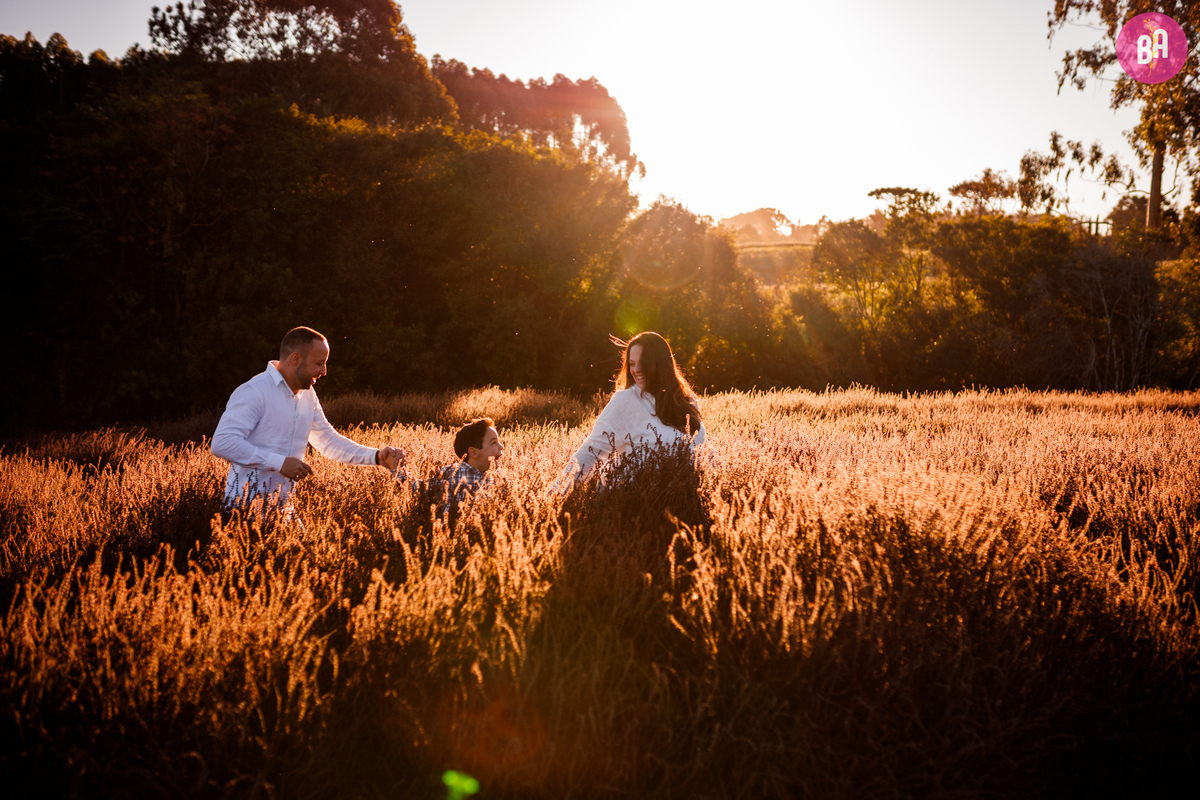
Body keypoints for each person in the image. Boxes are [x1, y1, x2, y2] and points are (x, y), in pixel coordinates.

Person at [211, 326, 403, 510]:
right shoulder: (255, 391)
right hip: (243, 512)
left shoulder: (308, 395)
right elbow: (223, 442)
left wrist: (377, 457)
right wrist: (279, 463)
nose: (324, 371)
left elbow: (328, 441)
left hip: (284, 512)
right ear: (295, 358)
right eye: (319, 363)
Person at [559, 331, 705, 486]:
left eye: (643, 363)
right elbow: (591, 451)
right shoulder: (626, 401)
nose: (636, 370)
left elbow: (705, 452)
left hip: (680, 503)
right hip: (629, 501)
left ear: (662, 364)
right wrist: (553, 497)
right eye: (632, 363)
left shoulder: (685, 400)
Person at [395, 417, 504, 520]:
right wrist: (397, 468)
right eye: (494, 443)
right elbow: (418, 489)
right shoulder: (451, 473)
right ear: (474, 452)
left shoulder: (498, 479)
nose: (501, 446)